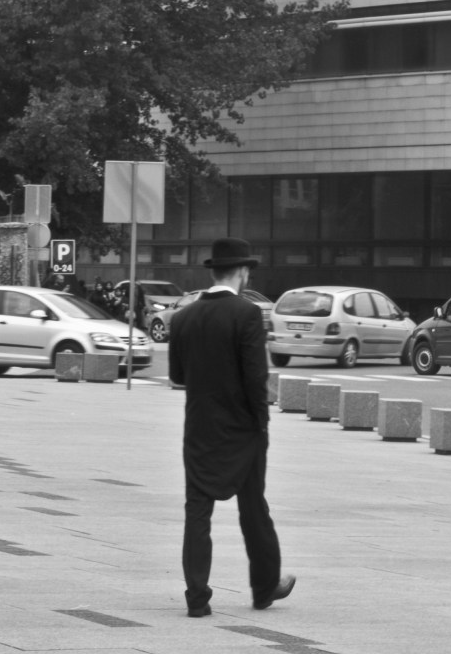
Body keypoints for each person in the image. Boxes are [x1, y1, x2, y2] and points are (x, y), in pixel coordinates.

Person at [168, 238, 295, 617]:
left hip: (200, 430)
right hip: (243, 430)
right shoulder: (246, 314)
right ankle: (264, 587)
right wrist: (262, 424)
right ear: (242, 272)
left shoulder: (183, 317)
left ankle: (196, 597)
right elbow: (256, 379)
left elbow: (177, 376)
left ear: (212, 271)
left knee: (197, 512)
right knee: (253, 509)